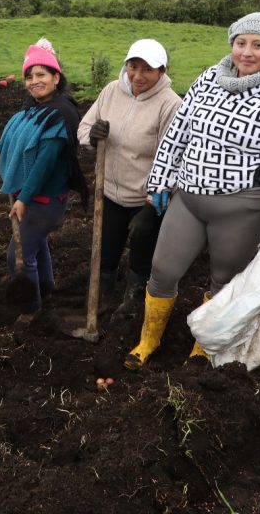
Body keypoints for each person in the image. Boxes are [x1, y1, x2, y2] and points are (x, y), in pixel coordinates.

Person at [124, 12, 260, 370]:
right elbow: (178, 132)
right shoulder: (210, 78)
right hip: (189, 198)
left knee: (224, 281)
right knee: (162, 270)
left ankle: (205, 347)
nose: (247, 52)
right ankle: (149, 339)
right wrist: (160, 178)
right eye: (241, 42)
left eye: (258, 45)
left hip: (241, 207)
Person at [77, 39, 182, 319]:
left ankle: (131, 311)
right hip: (109, 193)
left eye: (147, 69)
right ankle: (99, 303)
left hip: (145, 200)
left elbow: (174, 160)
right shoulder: (111, 90)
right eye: (133, 67)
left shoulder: (171, 104)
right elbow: (85, 126)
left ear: (161, 71)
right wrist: (92, 136)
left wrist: (151, 208)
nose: (137, 76)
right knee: (105, 254)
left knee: (141, 260)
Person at [0, 38, 87, 317]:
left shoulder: (60, 113)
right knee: (36, 244)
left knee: (19, 256)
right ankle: (46, 291)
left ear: (56, 77)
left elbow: (44, 163)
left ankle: (31, 310)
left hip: (45, 198)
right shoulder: (35, 108)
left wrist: (23, 199)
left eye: (41, 75)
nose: (34, 82)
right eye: (29, 77)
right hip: (34, 195)